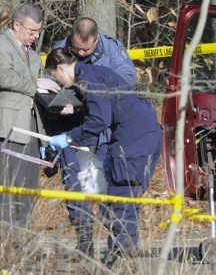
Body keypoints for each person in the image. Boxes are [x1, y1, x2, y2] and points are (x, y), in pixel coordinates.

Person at [44, 48, 160, 267]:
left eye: (54, 76)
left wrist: (68, 138)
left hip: (134, 138)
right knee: (123, 196)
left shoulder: (88, 79)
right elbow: (103, 112)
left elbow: (99, 120)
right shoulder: (93, 74)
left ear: (60, 68)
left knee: (121, 197)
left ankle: (122, 259)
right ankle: (120, 256)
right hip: (141, 133)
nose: (57, 81)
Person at [48, 17, 137, 256]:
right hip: (71, 130)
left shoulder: (112, 50)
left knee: (108, 188)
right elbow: (48, 82)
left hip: (104, 131)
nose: (82, 52)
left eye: (87, 49)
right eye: (77, 48)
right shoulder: (60, 49)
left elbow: (128, 82)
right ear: (72, 37)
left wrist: (92, 92)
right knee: (75, 186)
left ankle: (115, 246)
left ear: (96, 39)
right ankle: (84, 239)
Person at [0, 3, 61, 256]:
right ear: (16, 26)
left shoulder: (35, 56)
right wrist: (36, 82)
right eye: (32, 31)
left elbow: (42, 90)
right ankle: (4, 247)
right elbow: (3, 77)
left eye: (38, 31)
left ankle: (24, 244)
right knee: (9, 189)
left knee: (28, 189)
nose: (36, 36)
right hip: (7, 128)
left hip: (31, 130)